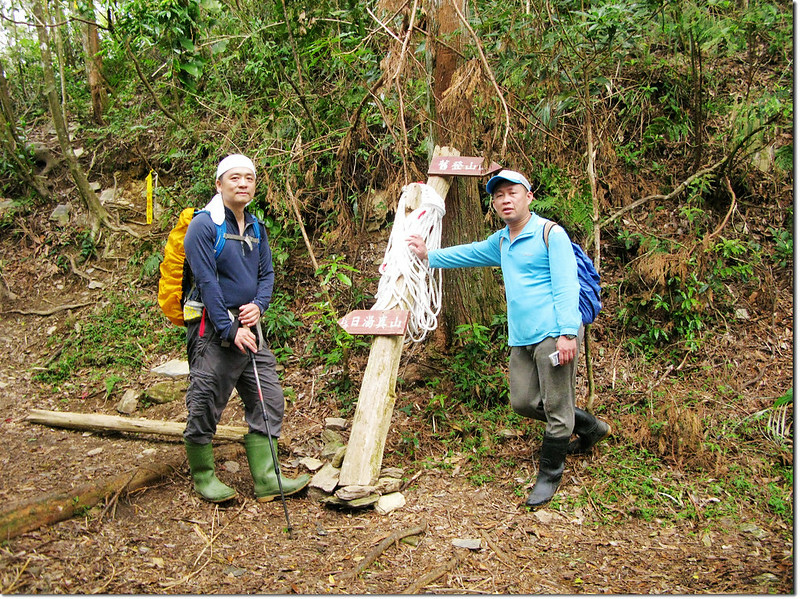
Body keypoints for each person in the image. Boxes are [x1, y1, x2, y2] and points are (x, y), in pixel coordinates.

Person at [407, 169, 610, 508]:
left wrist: (567, 333)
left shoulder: (550, 234)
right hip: (521, 336)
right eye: (498, 195)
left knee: (557, 408)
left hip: (554, 333)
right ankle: (589, 426)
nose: (505, 200)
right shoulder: (502, 241)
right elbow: (469, 253)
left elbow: (566, 285)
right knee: (522, 402)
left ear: (528, 197)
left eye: (511, 193)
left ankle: (549, 476)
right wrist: (429, 255)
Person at [181, 154, 310, 503]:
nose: (242, 184)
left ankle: (268, 478)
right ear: (219, 184)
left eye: (249, 178)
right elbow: (206, 281)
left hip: (251, 329)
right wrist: (228, 327)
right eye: (234, 178)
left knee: (268, 398)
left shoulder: (256, 227)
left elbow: (266, 274)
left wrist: (259, 305)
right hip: (214, 331)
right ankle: (204, 477)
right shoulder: (204, 226)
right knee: (205, 401)